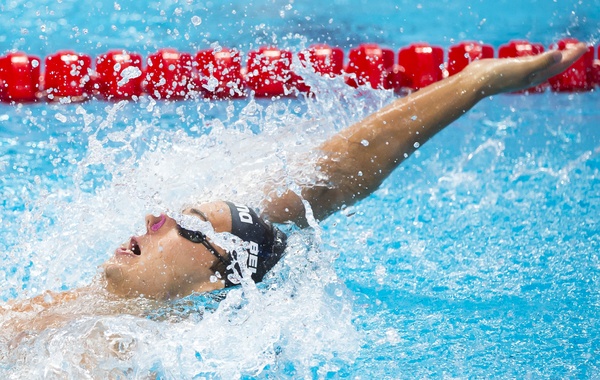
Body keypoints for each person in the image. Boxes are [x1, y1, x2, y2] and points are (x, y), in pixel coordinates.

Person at [1, 43, 588, 331]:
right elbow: (327, 178)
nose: (157, 217)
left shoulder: (111, 352)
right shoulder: (89, 308)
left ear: (211, 284)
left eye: (189, 227)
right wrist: (473, 81)